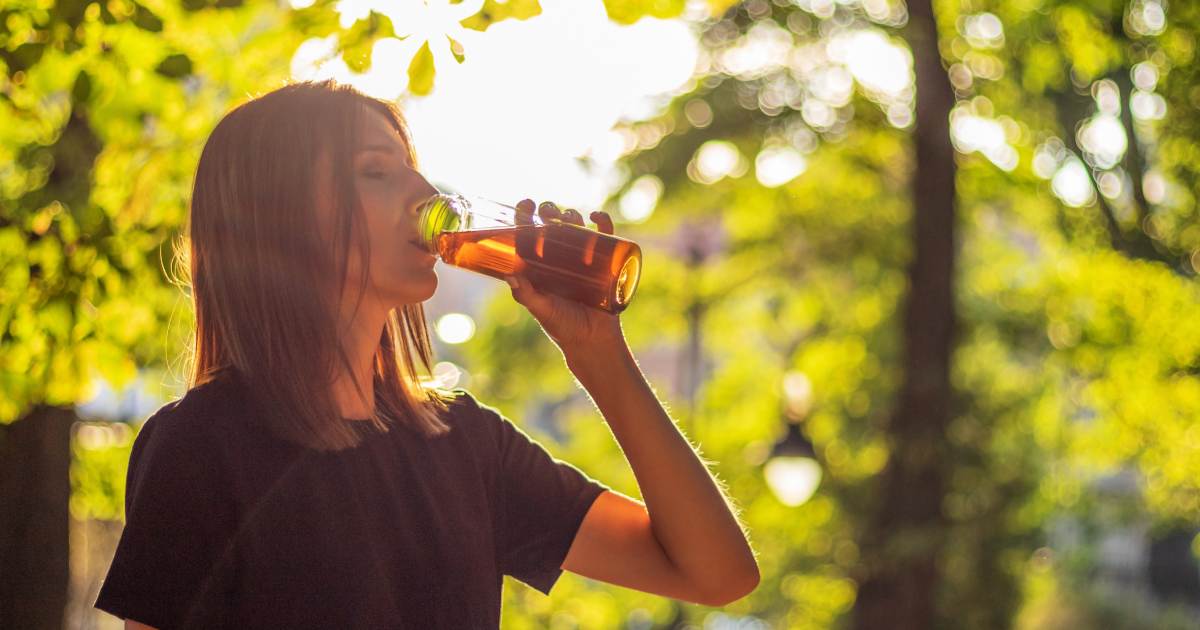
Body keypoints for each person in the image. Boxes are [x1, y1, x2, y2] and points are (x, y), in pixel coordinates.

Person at [93, 79, 759, 629]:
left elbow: (717, 573)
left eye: (414, 167)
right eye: (377, 172)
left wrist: (599, 357)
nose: (427, 195)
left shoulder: (465, 443)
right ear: (279, 214)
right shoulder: (202, 445)